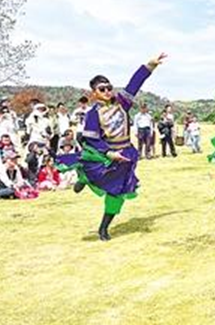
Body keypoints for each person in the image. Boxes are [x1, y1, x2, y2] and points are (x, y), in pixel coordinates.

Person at [56, 53, 167, 241]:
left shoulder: (122, 103)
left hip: (127, 153)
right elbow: (93, 139)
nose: (107, 91)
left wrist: (150, 65)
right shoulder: (93, 114)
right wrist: (109, 153)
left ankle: (104, 227)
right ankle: (84, 176)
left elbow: (135, 84)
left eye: (109, 87)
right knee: (94, 172)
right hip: (107, 153)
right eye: (102, 89)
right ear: (94, 93)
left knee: (119, 191)